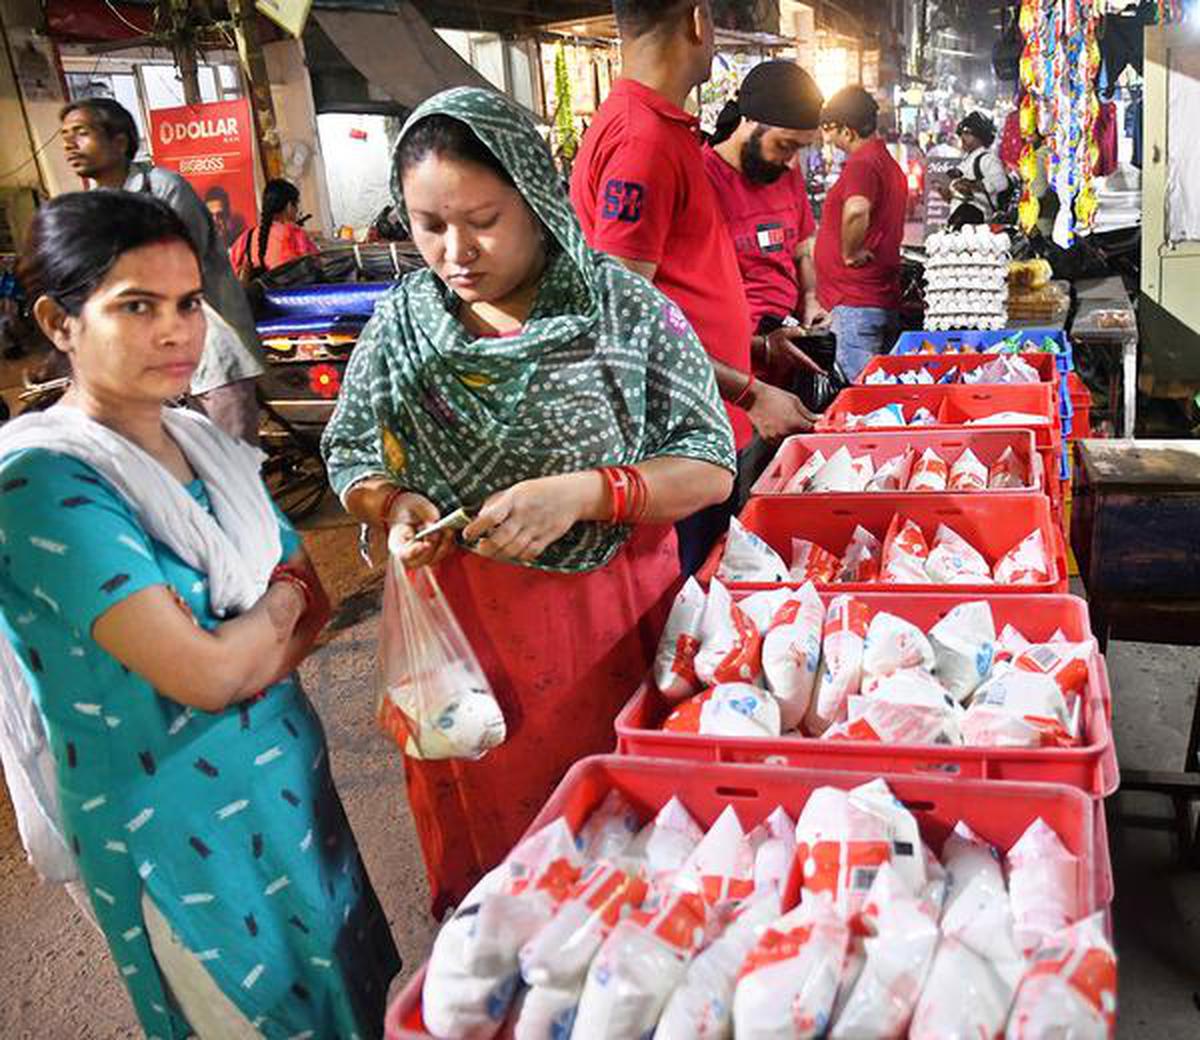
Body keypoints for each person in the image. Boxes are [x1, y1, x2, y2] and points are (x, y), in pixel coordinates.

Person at [322, 87, 735, 917]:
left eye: (482, 219)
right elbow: (350, 451)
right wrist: (394, 501)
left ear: (537, 199)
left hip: (608, 626)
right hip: (466, 647)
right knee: (503, 878)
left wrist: (589, 493)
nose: (455, 250)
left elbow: (710, 463)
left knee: (626, 860)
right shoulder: (401, 327)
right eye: (429, 225)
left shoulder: (627, 313)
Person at [0, 190, 400, 1037]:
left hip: (288, 797)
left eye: (187, 302)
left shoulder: (206, 448)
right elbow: (211, 672)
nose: (177, 330)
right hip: (173, 834)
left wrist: (268, 621)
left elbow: (310, 602)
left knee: (350, 1005)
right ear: (58, 321)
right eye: (135, 306)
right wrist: (276, 609)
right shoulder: (43, 487)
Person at [570, 0, 818, 569]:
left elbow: (672, 293)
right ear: (698, 21)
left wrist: (758, 350)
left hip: (705, 429)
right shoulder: (644, 143)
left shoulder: (657, 129)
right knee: (687, 610)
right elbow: (623, 324)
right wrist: (750, 392)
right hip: (679, 441)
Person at [60, 98, 264, 444]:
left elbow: (176, 271)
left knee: (234, 463)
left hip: (211, 346)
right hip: (151, 355)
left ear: (120, 141)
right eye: (65, 135)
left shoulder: (163, 189)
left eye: (81, 133)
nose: (68, 144)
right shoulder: (94, 207)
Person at [703, 60, 829, 347]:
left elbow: (801, 253)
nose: (793, 162)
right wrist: (763, 346)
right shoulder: (701, 180)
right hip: (730, 362)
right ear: (749, 123)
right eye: (786, 145)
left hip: (788, 344)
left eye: (801, 149)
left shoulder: (785, 172)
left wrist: (810, 300)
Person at [815, 85, 908, 381]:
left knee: (863, 397)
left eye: (831, 129)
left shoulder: (862, 163)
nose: (827, 137)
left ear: (848, 130)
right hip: (874, 298)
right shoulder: (885, 162)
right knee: (878, 389)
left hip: (857, 302)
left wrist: (849, 251)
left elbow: (856, 209)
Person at [230, 178, 320, 278]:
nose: (297, 211)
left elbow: (231, 268)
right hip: (289, 292)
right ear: (289, 206)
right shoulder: (294, 234)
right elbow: (317, 264)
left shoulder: (247, 237)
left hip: (258, 293)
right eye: (297, 204)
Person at [944, 110, 1011, 227]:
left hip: (979, 224)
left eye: (967, 133)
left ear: (980, 136)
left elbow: (1002, 183)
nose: (962, 137)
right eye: (961, 133)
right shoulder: (967, 159)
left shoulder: (987, 159)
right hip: (960, 222)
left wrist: (972, 185)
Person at [203, 185, 247, 251]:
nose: (215, 221)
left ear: (228, 216)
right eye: (210, 216)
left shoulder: (241, 248)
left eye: (220, 215)